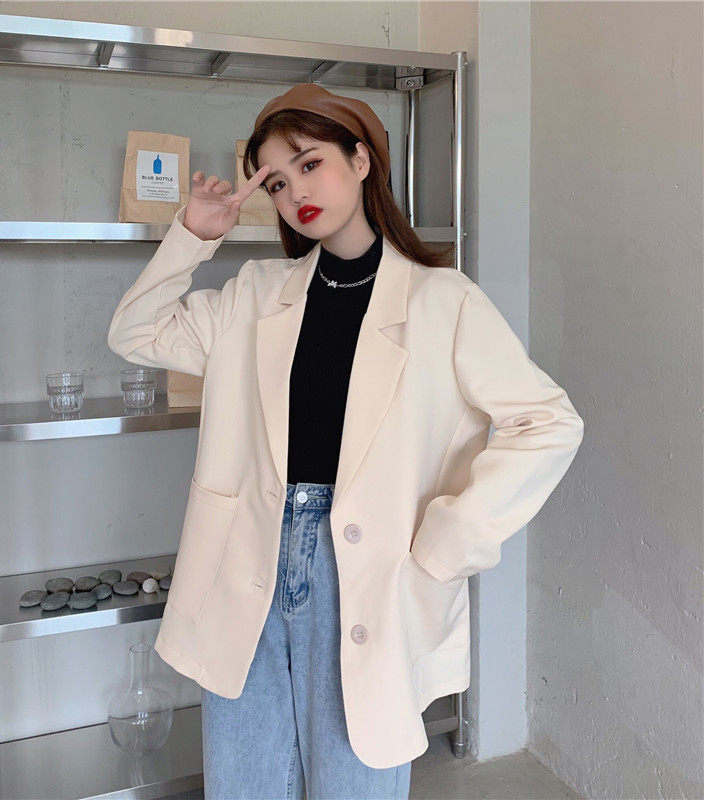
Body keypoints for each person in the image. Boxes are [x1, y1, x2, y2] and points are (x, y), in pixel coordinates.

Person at [107, 84, 584, 800]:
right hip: (247, 556)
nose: (294, 191)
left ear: (361, 160)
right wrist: (193, 235)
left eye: (309, 164)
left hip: (369, 568)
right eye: (275, 181)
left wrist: (451, 537)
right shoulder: (255, 292)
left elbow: (548, 422)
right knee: (243, 783)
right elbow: (134, 333)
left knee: (355, 776)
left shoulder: (442, 300)